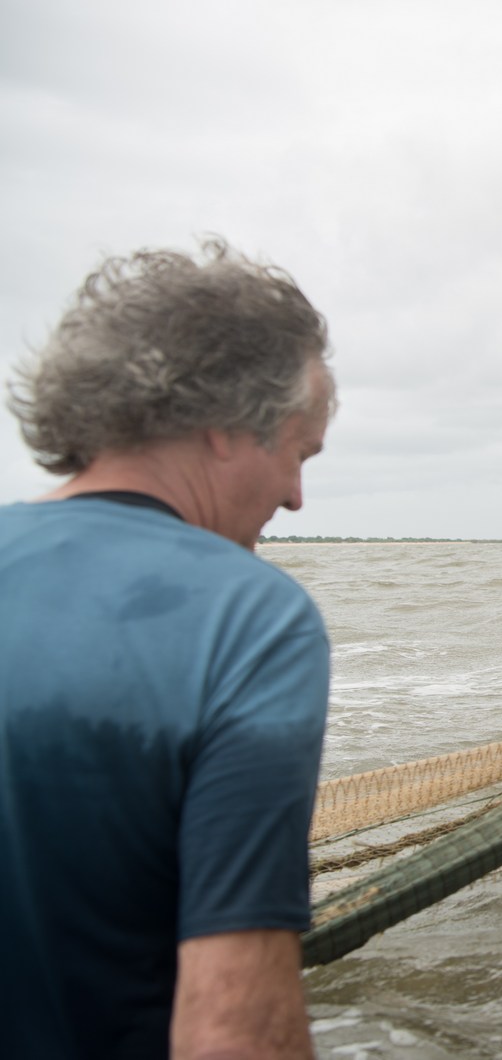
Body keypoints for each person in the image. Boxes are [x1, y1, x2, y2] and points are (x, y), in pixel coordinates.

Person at [1, 239, 336, 1057]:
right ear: (223, 425)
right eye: (298, 453)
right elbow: (233, 1029)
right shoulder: (250, 620)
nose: (295, 497)